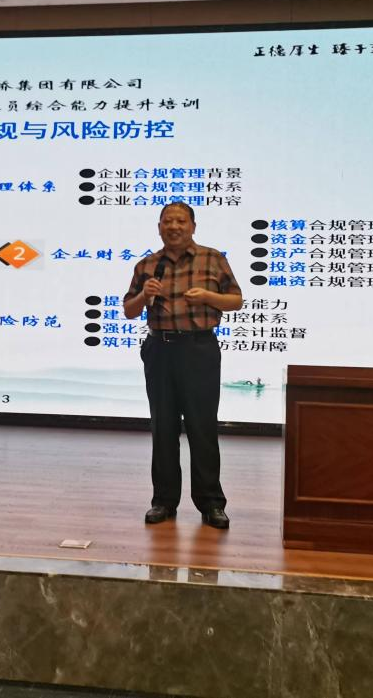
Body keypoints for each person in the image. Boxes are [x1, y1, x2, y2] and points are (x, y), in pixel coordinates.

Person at [123, 203, 243, 529]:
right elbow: (129, 310)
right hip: (159, 350)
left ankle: (211, 503)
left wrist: (208, 297)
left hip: (199, 349)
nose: (174, 226)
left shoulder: (212, 258)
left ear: (192, 226)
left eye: (180, 221)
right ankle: (163, 501)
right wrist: (143, 296)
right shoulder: (147, 265)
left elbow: (236, 300)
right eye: (168, 221)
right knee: (163, 428)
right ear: (159, 227)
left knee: (202, 428)